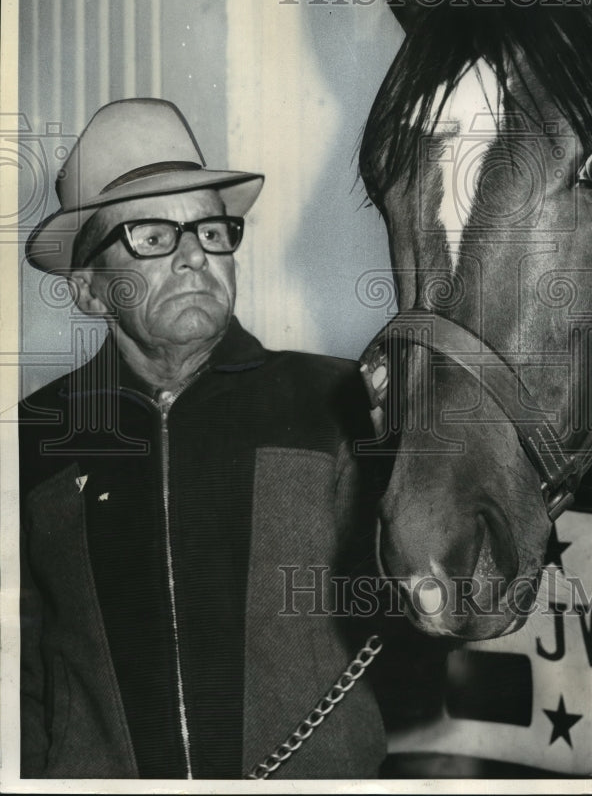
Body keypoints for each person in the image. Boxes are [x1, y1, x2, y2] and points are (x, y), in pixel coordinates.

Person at [18, 98, 389, 780]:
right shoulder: (32, 440)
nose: (194, 256)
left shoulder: (342, 403)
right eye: (152, 235)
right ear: (88, 290)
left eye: (212, 231)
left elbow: (423, 619)